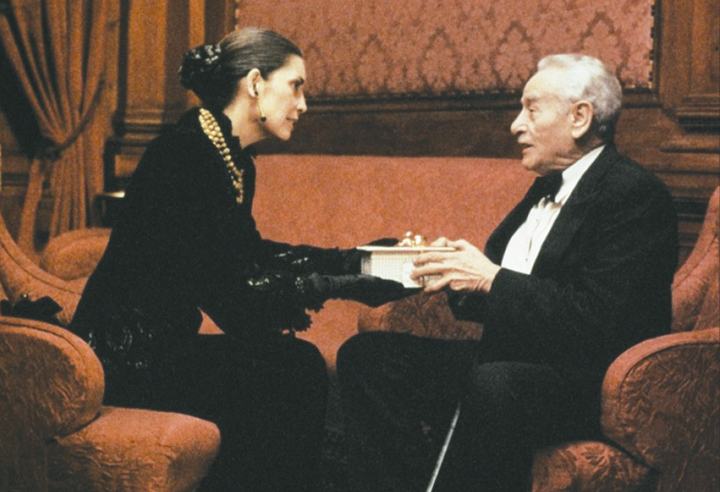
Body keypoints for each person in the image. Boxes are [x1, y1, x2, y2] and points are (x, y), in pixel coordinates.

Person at [69, 28, 408, 492]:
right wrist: (345, 282)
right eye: (295, 86)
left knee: (289, 366)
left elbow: (247, 253)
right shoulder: (184, 152)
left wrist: (358, 261)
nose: (303, 105)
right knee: (293, 369)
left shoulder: (231, 158)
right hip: (125, 361)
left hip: (164, 351)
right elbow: (230, 293)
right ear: (254, 84)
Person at [336, 54, 679, 492]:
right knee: (368, 357)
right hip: (508, 363)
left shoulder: (634, 193)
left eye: (531, 109)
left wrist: (489, 278)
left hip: (586, 382)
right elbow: (509, 287)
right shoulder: (546, 185)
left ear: (579, 118)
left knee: (494, 383)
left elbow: (600, 319)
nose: (516, 125)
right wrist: (453, 273)